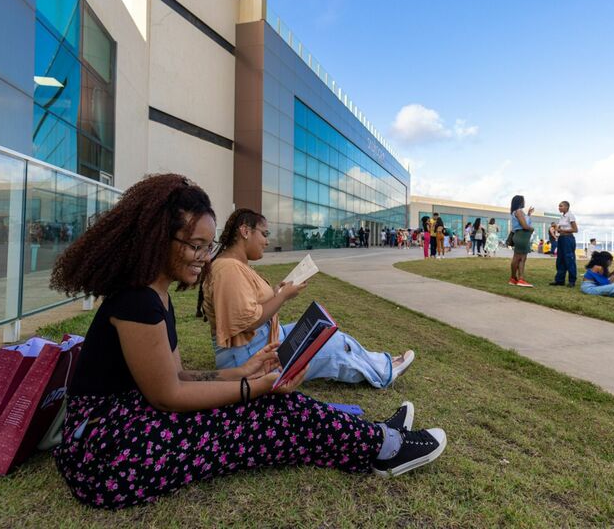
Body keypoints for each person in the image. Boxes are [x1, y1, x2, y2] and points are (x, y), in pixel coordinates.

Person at [48, 175, 446, 509]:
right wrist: (251, 387)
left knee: (273, 407)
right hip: (107, 451)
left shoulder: (157, 296)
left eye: (207, 246)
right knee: (269, 413)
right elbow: (167, 395)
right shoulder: (136, 300)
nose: (203, 257)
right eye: (194, 245)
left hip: (131, 423)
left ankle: (374, 436)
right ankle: (381, 448)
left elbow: (178, 375)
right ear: (157, 239)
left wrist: (240, 372)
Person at [201, 209, 414, 389]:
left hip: (263, 340)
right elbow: (247, 320)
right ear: (245, 231)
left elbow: (247, 305)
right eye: (264, 234)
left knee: (323, 331)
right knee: (333, 346)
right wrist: (283, 296)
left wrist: (277, 292)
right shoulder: (228, 269)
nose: (267, 241)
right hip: (250, 357)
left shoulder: (233, 265)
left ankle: (377, 360)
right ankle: (384, 371)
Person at [549, 201, 578, 287]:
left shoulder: (570, 215)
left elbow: (575, 229)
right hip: (561, 239)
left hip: (568, 239)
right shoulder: (562, 216)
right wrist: (557, 228)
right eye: (559, 206)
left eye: (561, 206)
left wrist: (563, 230)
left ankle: (572, 281)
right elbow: (561, 228)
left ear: (566, 207)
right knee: (560, 260)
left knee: (569, 259)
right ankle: (559, 280)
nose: (559, 208)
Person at [508, 195, 535, 287]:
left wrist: (528, 214)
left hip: (520, 236)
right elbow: (524, 226)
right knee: (521, 258)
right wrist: (532, 229)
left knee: (517, 257)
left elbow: (523, 221)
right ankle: (521, 279)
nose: (524, 202)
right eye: (523, 201)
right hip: (522, 236)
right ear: (520, 202)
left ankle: (513, 278)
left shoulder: (516, 212)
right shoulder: (519, 212)